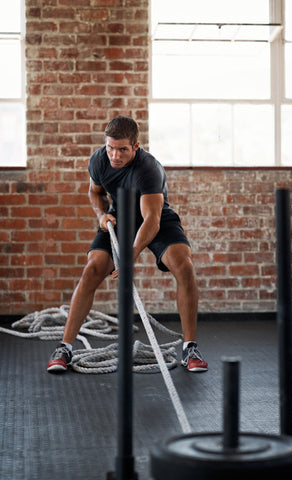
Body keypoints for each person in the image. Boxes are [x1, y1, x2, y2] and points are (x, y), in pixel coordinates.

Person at [47, 116, 208, 373]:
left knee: (184, 264)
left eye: (122, 149)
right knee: (92, 268)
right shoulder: (99, 159)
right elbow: (95, 192)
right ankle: (65, 347)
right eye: (110, 147)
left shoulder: (148, 169)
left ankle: (190, 348)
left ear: (136, 146)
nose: (115, 155)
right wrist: (101, 216)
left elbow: (152, 221)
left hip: (156, 219)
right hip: (119, 218)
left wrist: (129, 256)